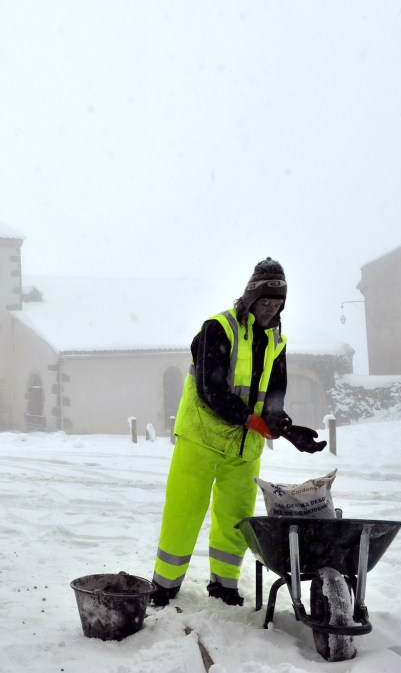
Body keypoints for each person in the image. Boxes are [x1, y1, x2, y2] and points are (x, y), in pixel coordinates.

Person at [150, 257, 326, 607]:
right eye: (265, 301)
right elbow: (210, 390)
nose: (270, 309)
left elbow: (273, 400)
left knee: (236, 519)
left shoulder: (277, 342)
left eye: (277, 304)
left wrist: (289, 431)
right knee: (184, 512)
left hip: (245, 449)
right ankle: (165, 584)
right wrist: (254, 421)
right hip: (201, 439)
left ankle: (224, 584)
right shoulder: (218, 329)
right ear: (250, 297)